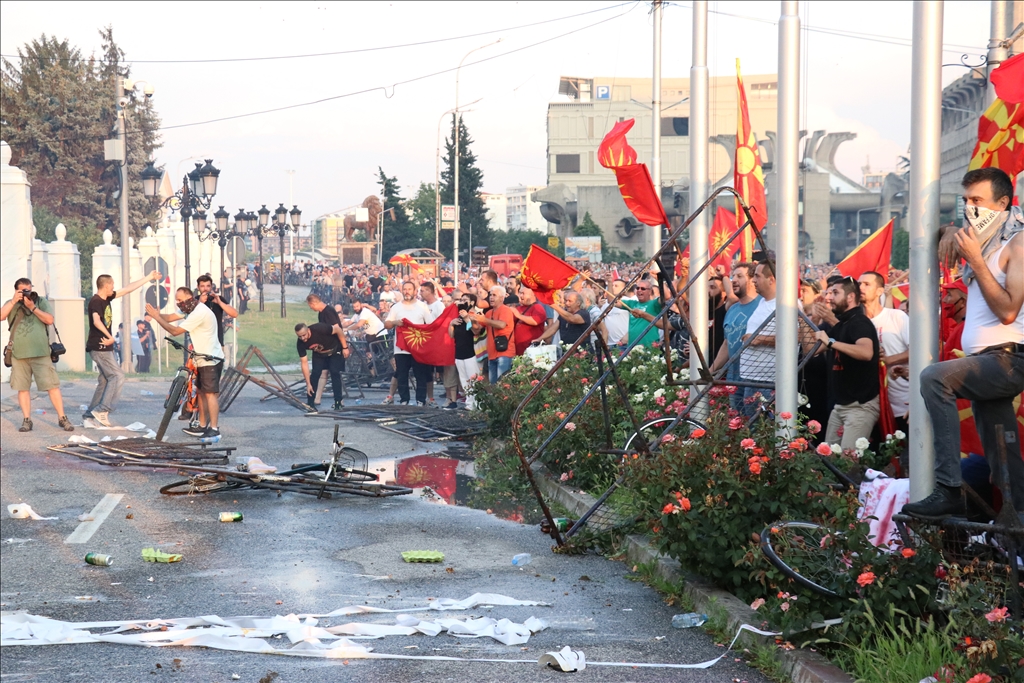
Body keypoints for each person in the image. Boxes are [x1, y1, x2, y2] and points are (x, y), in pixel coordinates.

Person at [903, 167, 1024, 520]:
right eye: (966, 201)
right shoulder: (980, 240)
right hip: (986, 363)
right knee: (1004, 455)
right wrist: (948, 231)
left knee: (933, 378)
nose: (971, 208)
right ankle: (1017, 526)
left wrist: (975, 261)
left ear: (1003, 203)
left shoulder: (1016, 243)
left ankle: (948, 488)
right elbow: (947, 234)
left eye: (978, 201)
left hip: (1007, 360)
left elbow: (1007, 310)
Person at [84, 269, 161, 427]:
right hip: (100, 345)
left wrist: (148, 277)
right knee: (117, 376)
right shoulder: (96, 301)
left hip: (102, 346)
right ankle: (102, 410)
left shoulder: (107, 298)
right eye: (111, 284)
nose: (113, 287)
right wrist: (110, 336)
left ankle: (89, 417)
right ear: (105, 285)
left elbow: (127, 289)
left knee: (105, 380)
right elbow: (96, 320)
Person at [147, 287, 225, 439]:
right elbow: (169, 317)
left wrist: (157, 318)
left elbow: (175, 331)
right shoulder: (190, 309)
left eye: (180, 300)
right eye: (176, 300)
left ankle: (214, 428)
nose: (178, 303)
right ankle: (202, 426)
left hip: (211, 359)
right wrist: (155, 314)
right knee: (201, 393)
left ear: (189, 298)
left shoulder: (199, 313)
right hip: (201, 358)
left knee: (210, 394)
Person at [813, 277, 880, 450]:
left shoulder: (859, 322)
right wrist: (812, 319)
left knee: (847, 464)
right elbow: (811, 351)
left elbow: (866, 352)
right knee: (830, 461)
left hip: (859, 406)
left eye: (836, 293)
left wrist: (831, 342)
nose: (830, 297)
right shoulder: (844, 323)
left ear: (850, 297)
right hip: (840, 406)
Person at [2, 278, 74, 432]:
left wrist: (32, 307)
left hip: (41, 353)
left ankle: (62, 418)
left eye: (29, 289)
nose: (27, 293)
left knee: (52, 386)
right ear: (16, 291)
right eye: (23, 290)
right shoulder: (11, 303)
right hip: (19, 354)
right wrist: (14, 301)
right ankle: (27, 420)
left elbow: (49, 320)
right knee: (22, 388)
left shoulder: (40, 301)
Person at [860, 271, 910, 431]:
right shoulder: (857, 323)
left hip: (903, 403)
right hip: (871, 405)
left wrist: (889, 360)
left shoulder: (897, 316)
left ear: (880, 291)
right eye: (859, 284)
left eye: (866, 284)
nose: (860, 287)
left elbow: (919, 351)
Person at [710, 263, 762, 413]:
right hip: (734, 378)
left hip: (755, 378)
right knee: (738, 424)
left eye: (740, 276)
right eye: (733, 276)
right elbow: (727, 344)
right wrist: (712, 369)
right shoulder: (732, 309)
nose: (734, 280)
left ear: (752, 280)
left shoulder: (761, 306)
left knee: (756, 425)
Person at [384, 281, 435, 405]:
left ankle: (420, 400)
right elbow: (387, 324)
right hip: (401, 348)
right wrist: (396, 322)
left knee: (420, 374)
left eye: (409, 289)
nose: (407, 291)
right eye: (405, 289)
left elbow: (431, 325)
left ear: (414, 291)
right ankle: (404, 400)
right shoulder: (396, 307)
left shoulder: (422, 306)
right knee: (402, 374)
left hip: (418, 347)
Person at [739, 261, 777, 416]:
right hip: (751, 377)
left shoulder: (787, 304)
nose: (753, 280)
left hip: (769, 381)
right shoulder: (762, 302)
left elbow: (796, 336)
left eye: (757, 276)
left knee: (767, 429)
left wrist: (760, 339)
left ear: (771, 279)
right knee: (753, 432)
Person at [294, 321, 350, 412]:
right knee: (315, 374)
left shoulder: (320, 329)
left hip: (334, 350)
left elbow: (338, 330)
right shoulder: (300, 343)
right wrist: (308, 384)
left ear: (308, 330)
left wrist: (345, 347)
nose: (303, 338)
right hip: (319, 353)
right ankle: (311, 404)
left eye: (304, 335)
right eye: (299, 336)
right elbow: (304, 363)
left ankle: (338, 402)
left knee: (334, 372)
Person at [473, 285, 515, 382]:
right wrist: (473, 320)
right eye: (490, 295)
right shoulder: (489, 313)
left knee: (503, 385)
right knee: (493, 385)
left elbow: (501, 325)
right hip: (491, 354)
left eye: (494, 295)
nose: (491, 297)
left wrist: (484, 320)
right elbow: (477, 330)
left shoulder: (506, 310)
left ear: (502, 298)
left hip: (504, 353)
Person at [449, 292, 483, 410]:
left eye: (465, 300)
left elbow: (475, 331)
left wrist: (467, 318)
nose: (462, 302)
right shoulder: (458, 318)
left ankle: (478, 404)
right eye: (461, 300)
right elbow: (451, 335)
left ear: (472, 302)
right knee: (464, 381)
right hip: (459, 353)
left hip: (472, 353)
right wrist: (451, 324)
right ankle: (470, 404)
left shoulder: (476, 315)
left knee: (474, 380)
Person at [618, 278, 662, 348]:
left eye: (643, 289)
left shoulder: (654, 304)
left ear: (650, 292)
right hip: (633, 347)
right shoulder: (632, 303)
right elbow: (613, 302)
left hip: (650, 347)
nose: (639, 290)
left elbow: (665, 297)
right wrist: (609, 282)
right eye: (637, 288)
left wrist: (659, 280)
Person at [511, 286, 547, 355]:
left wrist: (519, 315)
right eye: (520, 293)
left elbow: (535, 321)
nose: (520, 295)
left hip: (532, 350)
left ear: (532, 294)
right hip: (517, 350)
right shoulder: (519, 308)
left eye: (523, 293)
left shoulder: (537, 307)